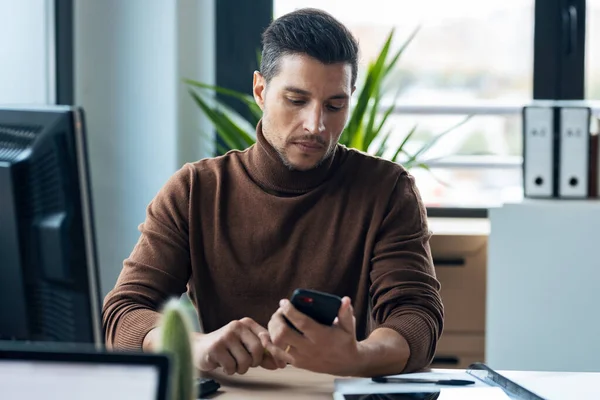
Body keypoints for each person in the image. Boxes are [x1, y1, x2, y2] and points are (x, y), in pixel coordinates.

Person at [102, 7, 444, 378]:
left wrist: (357, 357)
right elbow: (124, 312)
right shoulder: (194, 190)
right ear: (261, 91)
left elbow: (417, 317)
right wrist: (193, 345)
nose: (316, 125)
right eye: (297, 100)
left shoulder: (388, 190)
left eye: (335, 105)